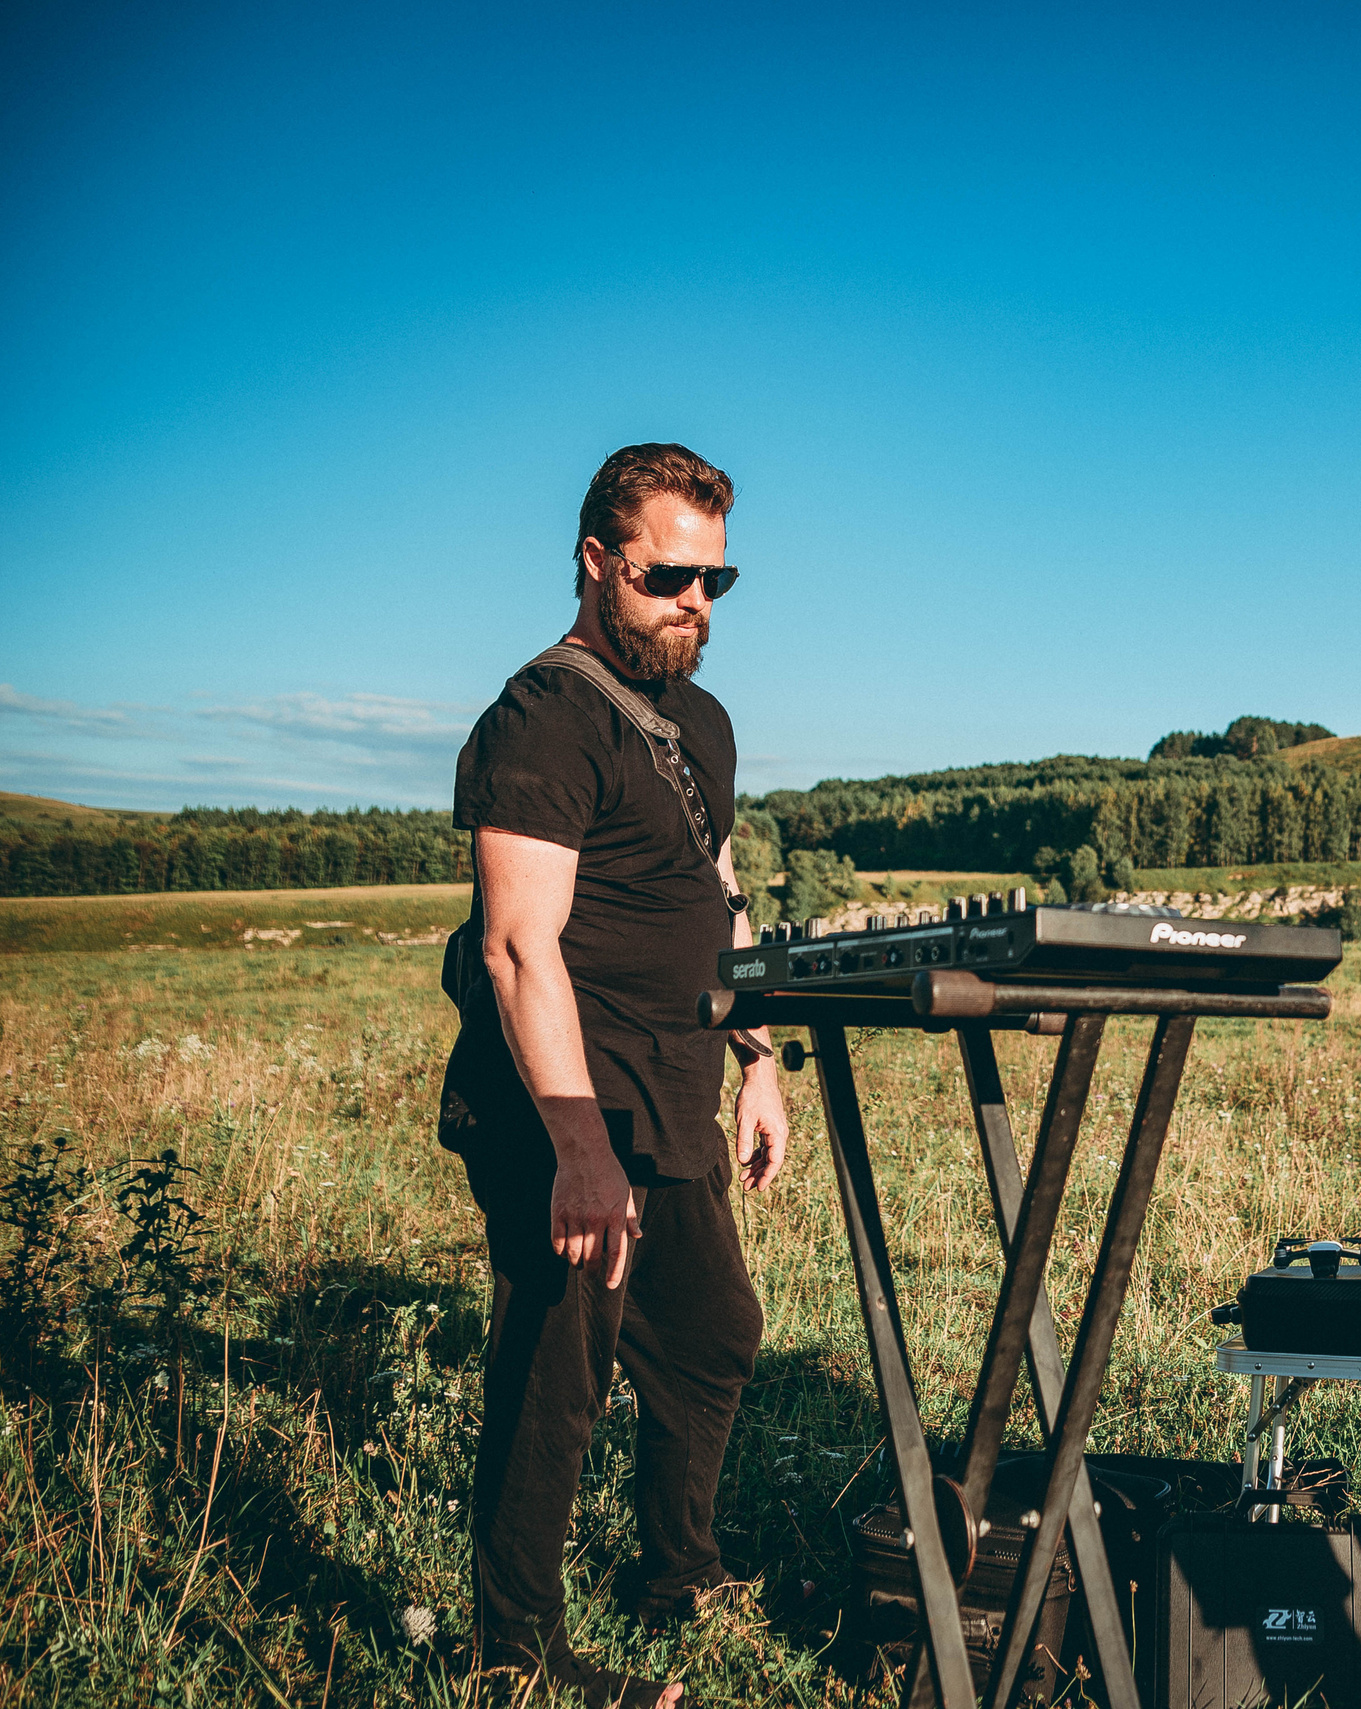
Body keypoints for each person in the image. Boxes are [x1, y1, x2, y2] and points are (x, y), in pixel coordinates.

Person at [437, 443, 790, 1708]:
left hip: (674, 1083)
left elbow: (719, 890)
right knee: (557, 1371)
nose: (696, 602)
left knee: (709, 1337)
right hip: (567, 1100)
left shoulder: (700, 717)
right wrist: (578, 1144)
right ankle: (511, 1658)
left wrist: (757, 1054)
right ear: (598, 561)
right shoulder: (543, 715)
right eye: (667, 577)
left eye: (717, 579)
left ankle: (677, 1573)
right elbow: (518, 945)